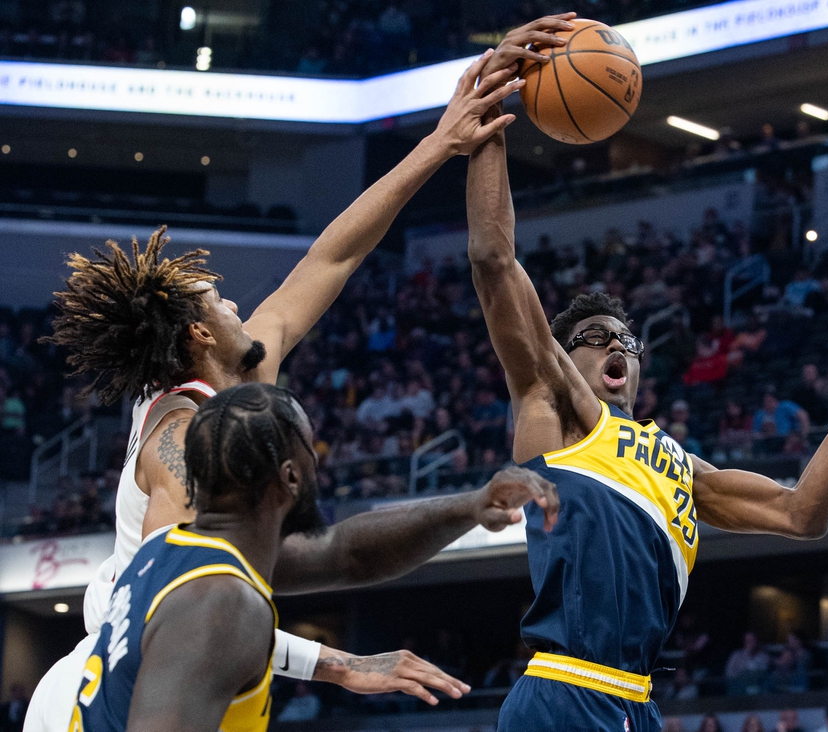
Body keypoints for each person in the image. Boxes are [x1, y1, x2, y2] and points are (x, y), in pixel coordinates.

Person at [465, 13, 828, 731]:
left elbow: (804, 514)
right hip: (561, 691)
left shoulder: (679, 466)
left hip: (641, 705)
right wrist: (493, 107)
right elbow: (494, 261)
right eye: (596, 339)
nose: (617, 346)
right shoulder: (554, 412)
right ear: (564, 359)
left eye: (626, 338)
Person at [28, 49, 529, 732]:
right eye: (216, 299)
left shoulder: (242, 381)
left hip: (162, 669)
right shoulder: (182, 435)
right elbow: (188, 594)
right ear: (198, 336)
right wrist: (338, 663)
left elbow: (335, 255)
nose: (235, 301)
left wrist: (443, 141)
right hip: (108, 689)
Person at [68, 383, 554, 730]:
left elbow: (347, 554)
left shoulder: (183, 554)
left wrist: (471, 504)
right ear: (291, 476)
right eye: (309, 445)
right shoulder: (221, 603)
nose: (319, 457)